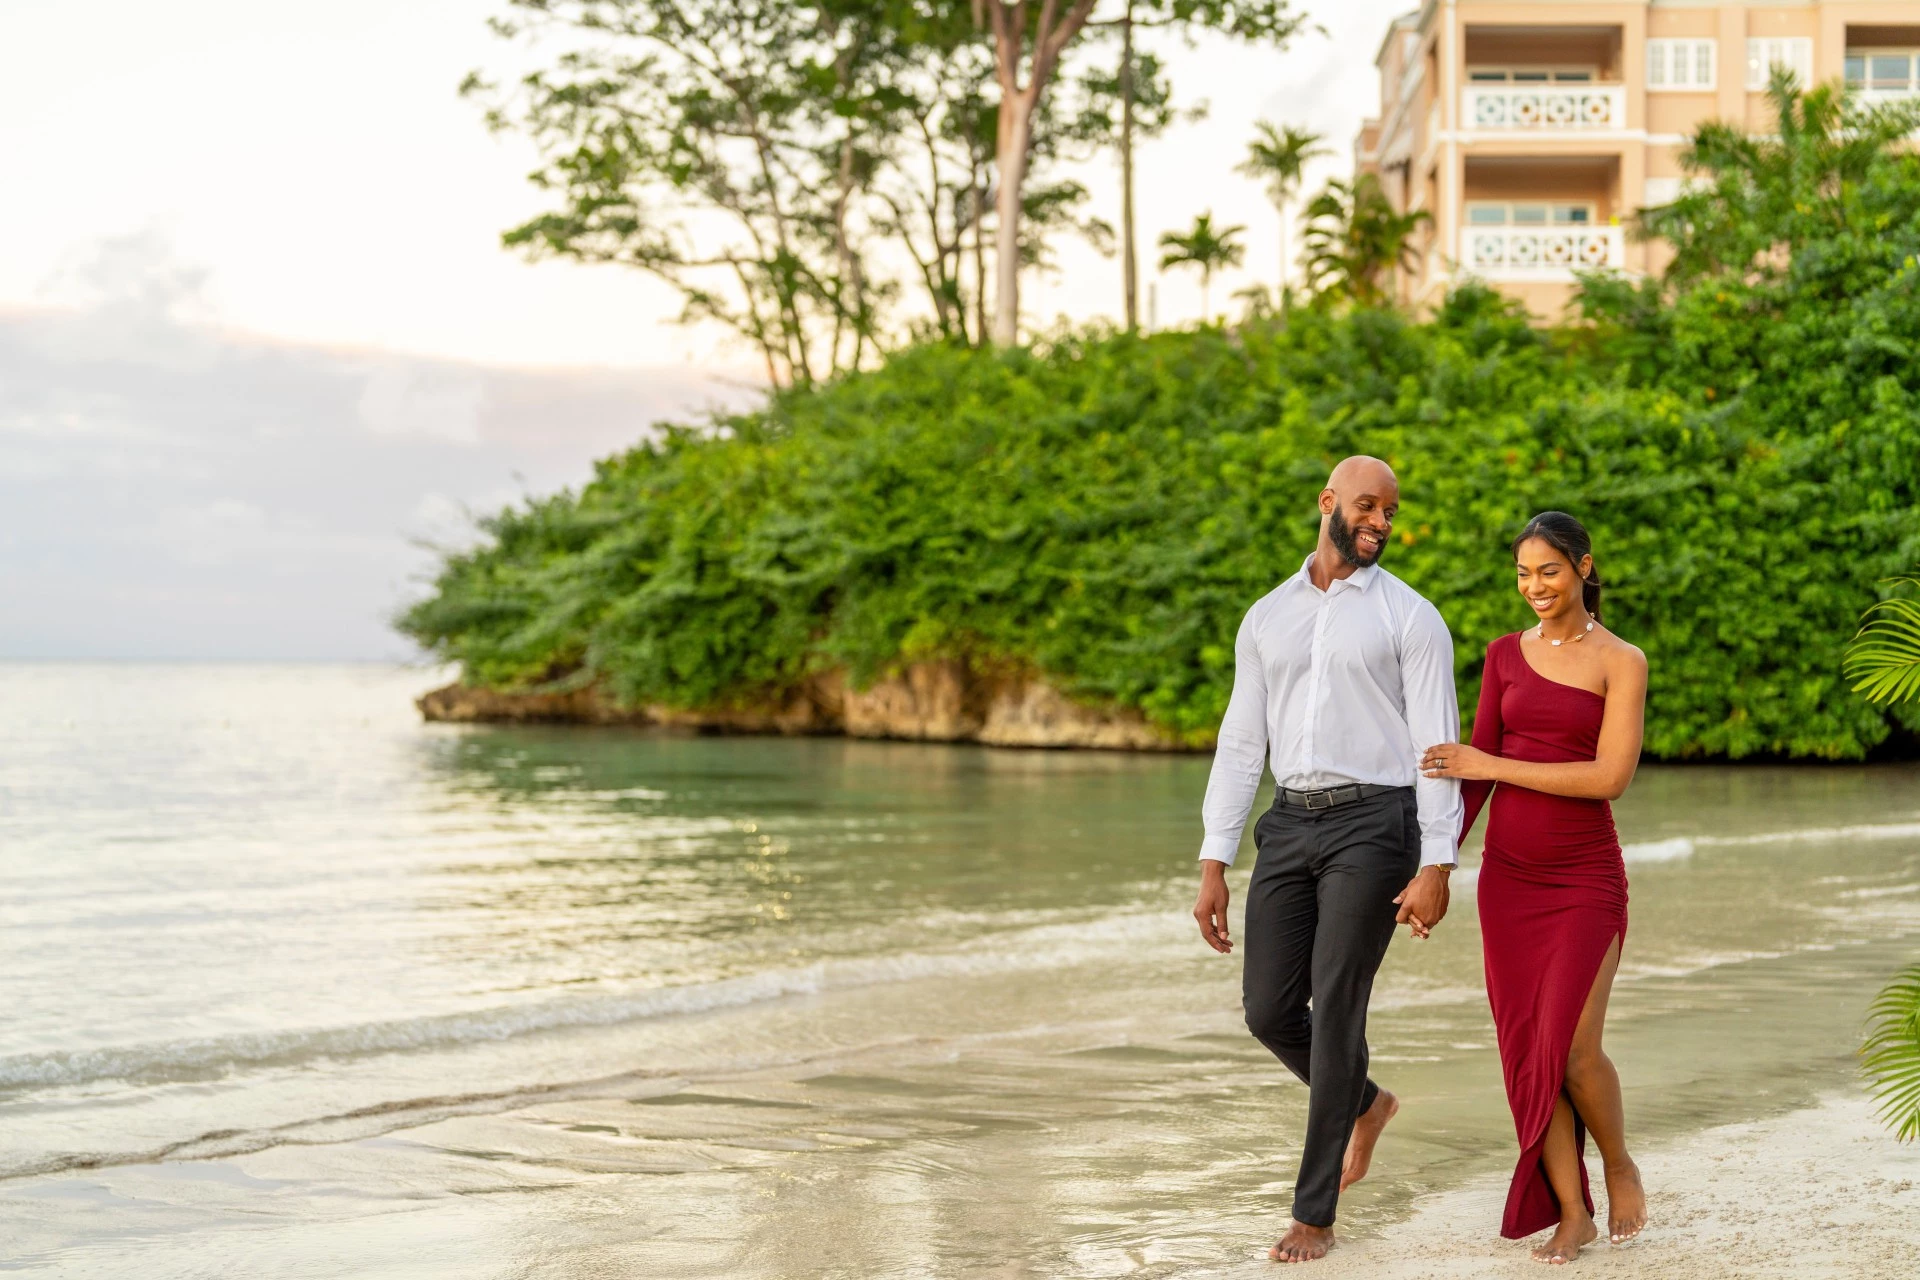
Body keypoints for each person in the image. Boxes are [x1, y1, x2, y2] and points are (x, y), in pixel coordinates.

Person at [1191, 456, 1461, 1264]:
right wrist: (1214, 857)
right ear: (1329, 503)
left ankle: (1314, 1215)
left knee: (1338, 1002)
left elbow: (1435, 750)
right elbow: (1242, 744)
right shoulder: (1265, 616)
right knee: (1269, 1010)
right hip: (1289, 822)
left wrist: (1438, 863)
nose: (1380, 521)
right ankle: (1367, 1103)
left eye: (1391, 511)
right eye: (1367, 506)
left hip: (1376, 827)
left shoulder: (1411, 618)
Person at [1420, 511, 1650, 1264]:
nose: (1534, 587)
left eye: (1547, 570)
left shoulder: (1623, 660)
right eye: (1522, 574)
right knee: (1530, 1054)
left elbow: (1608, 778)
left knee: (1576, 1050)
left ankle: (1617, 1164)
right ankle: (1570, 1210)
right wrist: (1435, 865)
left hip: (1585, 878)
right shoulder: (1501, 656)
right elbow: (1471, 785)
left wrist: (1492, 763)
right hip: (1510, 885)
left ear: (1585, 567)